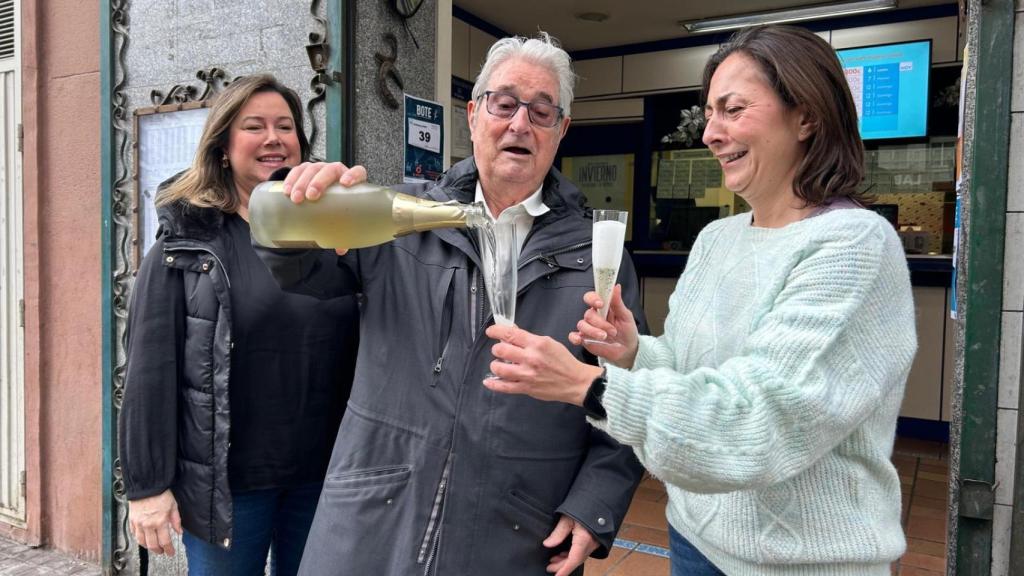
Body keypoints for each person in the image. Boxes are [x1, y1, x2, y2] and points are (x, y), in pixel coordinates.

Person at [482, 25, 918, 576]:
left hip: (802, 561)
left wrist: (587, 386)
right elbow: (695, 371)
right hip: (694, 536)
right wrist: (634, 351)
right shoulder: (719, 240)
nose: (710, 133)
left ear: (806, 116)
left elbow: (758, 423)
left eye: (733, 109)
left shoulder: (853, 245)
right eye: (709, 113)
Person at [256, 33, 646, 576]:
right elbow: (299, 272)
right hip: (374, 518)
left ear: (562, 131)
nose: (519, 124)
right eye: (504, 104)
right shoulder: (397, 219)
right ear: (473, 113)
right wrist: (298, 204)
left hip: (517, 530)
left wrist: (595, 506)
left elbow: (627, 391)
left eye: (541, 111)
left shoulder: (597, 254)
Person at [118, 74, 359, 576]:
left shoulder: (334, 236)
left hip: (324, 477)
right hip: (227, 487)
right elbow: (149, 370)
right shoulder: (186, 245)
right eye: (255, 126)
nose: (274, 138)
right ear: (224, 146)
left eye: (286, 127)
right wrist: (146, 488)